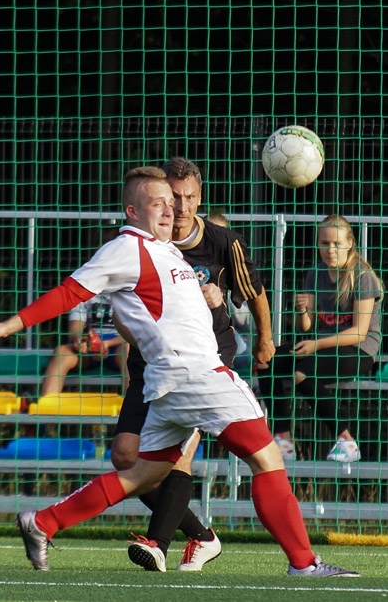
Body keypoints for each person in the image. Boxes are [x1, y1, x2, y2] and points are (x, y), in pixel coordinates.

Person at [0, 166, 358, 577]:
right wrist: (7, 326)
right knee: (267, 459)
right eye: (157, 203)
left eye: (173, 201)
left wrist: (212, 302)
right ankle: (304, 564)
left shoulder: (166, 250)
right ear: (132, 211)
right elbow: (69, 292)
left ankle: (43, 522)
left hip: (170, 384)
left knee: (141, 473)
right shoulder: (126, 248)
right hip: (194, 375)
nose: (170, 209)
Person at [114, 157, 276, 572]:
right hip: (152, 360)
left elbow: (254, 292)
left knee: (180, 456)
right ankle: (202, 536)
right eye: (173, 197)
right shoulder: (142, 244)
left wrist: (264, 338)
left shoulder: (223, 242)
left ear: (199, 199)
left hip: (207, 356)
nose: (180, 207)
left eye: (189, 198)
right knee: (126, 460)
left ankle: (156, 543)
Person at [258, 214, 383, 463]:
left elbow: (359, 332)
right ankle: (283, 441)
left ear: (350, 243)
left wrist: (315, 344)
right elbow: (308, 327)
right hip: (321, 347)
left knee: (302, 373)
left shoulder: (362, 276)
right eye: (325, 243)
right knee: (266, 360)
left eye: (336, 243)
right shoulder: (316, 273)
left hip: (358, 351)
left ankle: (346, 441)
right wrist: (303, 310)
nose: (330, 249)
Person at [39, 294, 126, 397]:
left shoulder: (131, 292)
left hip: (119, 346)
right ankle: (47, 404)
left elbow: (136, 333)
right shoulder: (83, 290)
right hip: (89, 346)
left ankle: (133, 409)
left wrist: (108, 344)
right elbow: (75, 328)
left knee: (129, 350)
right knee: (62, 352)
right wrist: (80, 340)